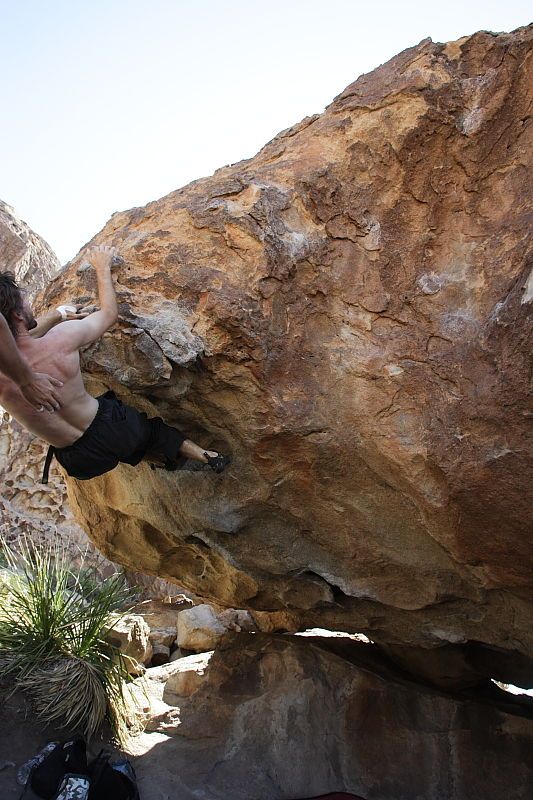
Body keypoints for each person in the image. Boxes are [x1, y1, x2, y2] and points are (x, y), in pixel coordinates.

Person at [0, 245, 230, 482]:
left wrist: (58, 313)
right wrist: (102, 267)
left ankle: (158, 460)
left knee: (129, 443)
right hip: (111, 429)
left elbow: (13, 346)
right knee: (153, 433)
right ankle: (209, 457)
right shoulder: (62, 339)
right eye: (24, 302)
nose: (29, 305)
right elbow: (109, 314)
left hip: (78, 460)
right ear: (18, 315)